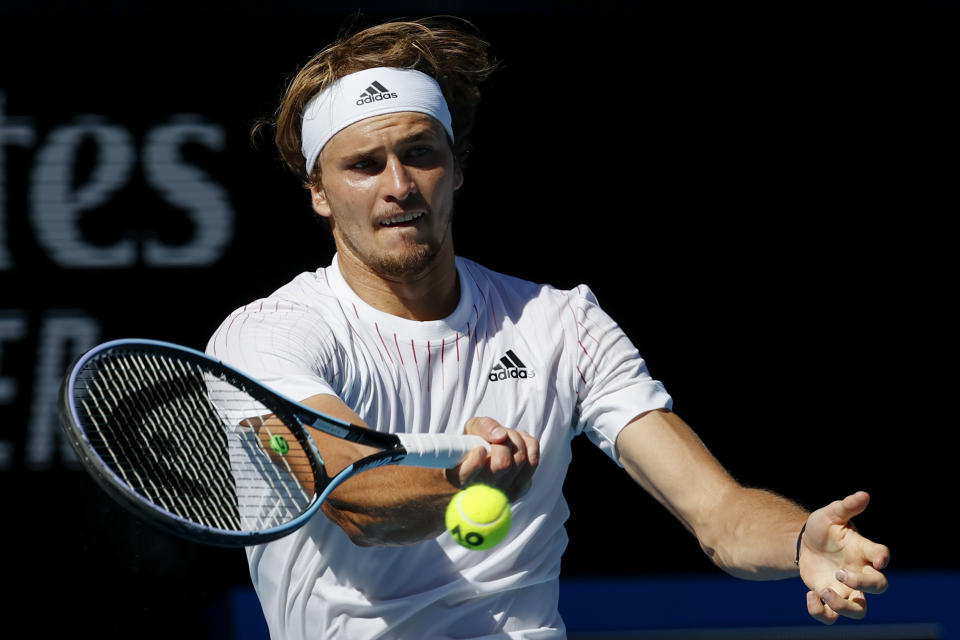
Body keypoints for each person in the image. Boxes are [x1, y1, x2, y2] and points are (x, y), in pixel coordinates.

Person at [206, 17, 889, 639]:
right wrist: (466, 487)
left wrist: (799, 540)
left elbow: (720, 515)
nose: (399, 185)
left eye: (420, 154)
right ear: (319, 192)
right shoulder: (267, 337)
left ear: (457, 168)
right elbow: (352, 496)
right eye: (364, 164)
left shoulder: (562, 324)